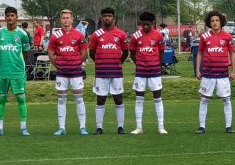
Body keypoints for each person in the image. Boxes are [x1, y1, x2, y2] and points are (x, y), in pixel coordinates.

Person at [0, 6, 31, 136]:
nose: (10, 18)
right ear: (5, 18)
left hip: (17, 72)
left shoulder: (23, 34)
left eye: (12, 15)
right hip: (3, 72)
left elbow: (25, 53)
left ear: (17, 18)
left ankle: (23, 128)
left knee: (21, 98)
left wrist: (17, 64)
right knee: (1, 98)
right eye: (8, 15)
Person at [48, 9, 88, 135]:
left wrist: (77, 63)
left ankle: (82, 127)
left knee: (79, 99)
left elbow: (83, 53)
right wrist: (58, 65)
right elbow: (51, 53)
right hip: (62, 73)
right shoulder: (55, 36)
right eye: (63, 18)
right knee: (61, 100)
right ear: (61, 20)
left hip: (76, 72)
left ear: (72, 19)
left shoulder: (79, 35)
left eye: (68, 18)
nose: (65, 20)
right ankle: (62, 128)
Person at [195, 10, 235, 134]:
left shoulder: (227, 37)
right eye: (212, 21)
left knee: (226, 100)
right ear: (209, 23)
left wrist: (233, 70)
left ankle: (228, 126)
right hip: (207, 74)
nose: (215, 23)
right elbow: (200, 53)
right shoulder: (204, 37)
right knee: (204, 99)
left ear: (221, 22)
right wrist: (197, 69)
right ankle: (202, 126)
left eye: (217, 20)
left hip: (223, 74)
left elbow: (232, 53)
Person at [89, 7, 128, 135]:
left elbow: (125, 52)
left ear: (113, 18)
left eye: (109, 16)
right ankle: (99, 127)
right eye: (104, 16)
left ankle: (120, 127)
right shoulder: (96, 34)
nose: (107, 18)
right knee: (100, 99)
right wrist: (101, 63)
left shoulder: (121, 34)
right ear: (101, 18)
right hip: (101, 73)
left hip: (116, 72)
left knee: (118, 98)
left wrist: (117, 63)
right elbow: (92, 53)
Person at [128, 11, 167, 134]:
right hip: (140, 73)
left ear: (152, 23)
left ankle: (161, 127)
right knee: (139, 99)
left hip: (155, 72)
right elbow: (132, 53)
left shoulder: (158, 35)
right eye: (143, 24)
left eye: (148, 24)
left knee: (157, 98)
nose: (145, 26)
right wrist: (139, 64)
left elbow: (161, 53)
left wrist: (157, 65)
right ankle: (139, 127)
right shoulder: (135, 36)